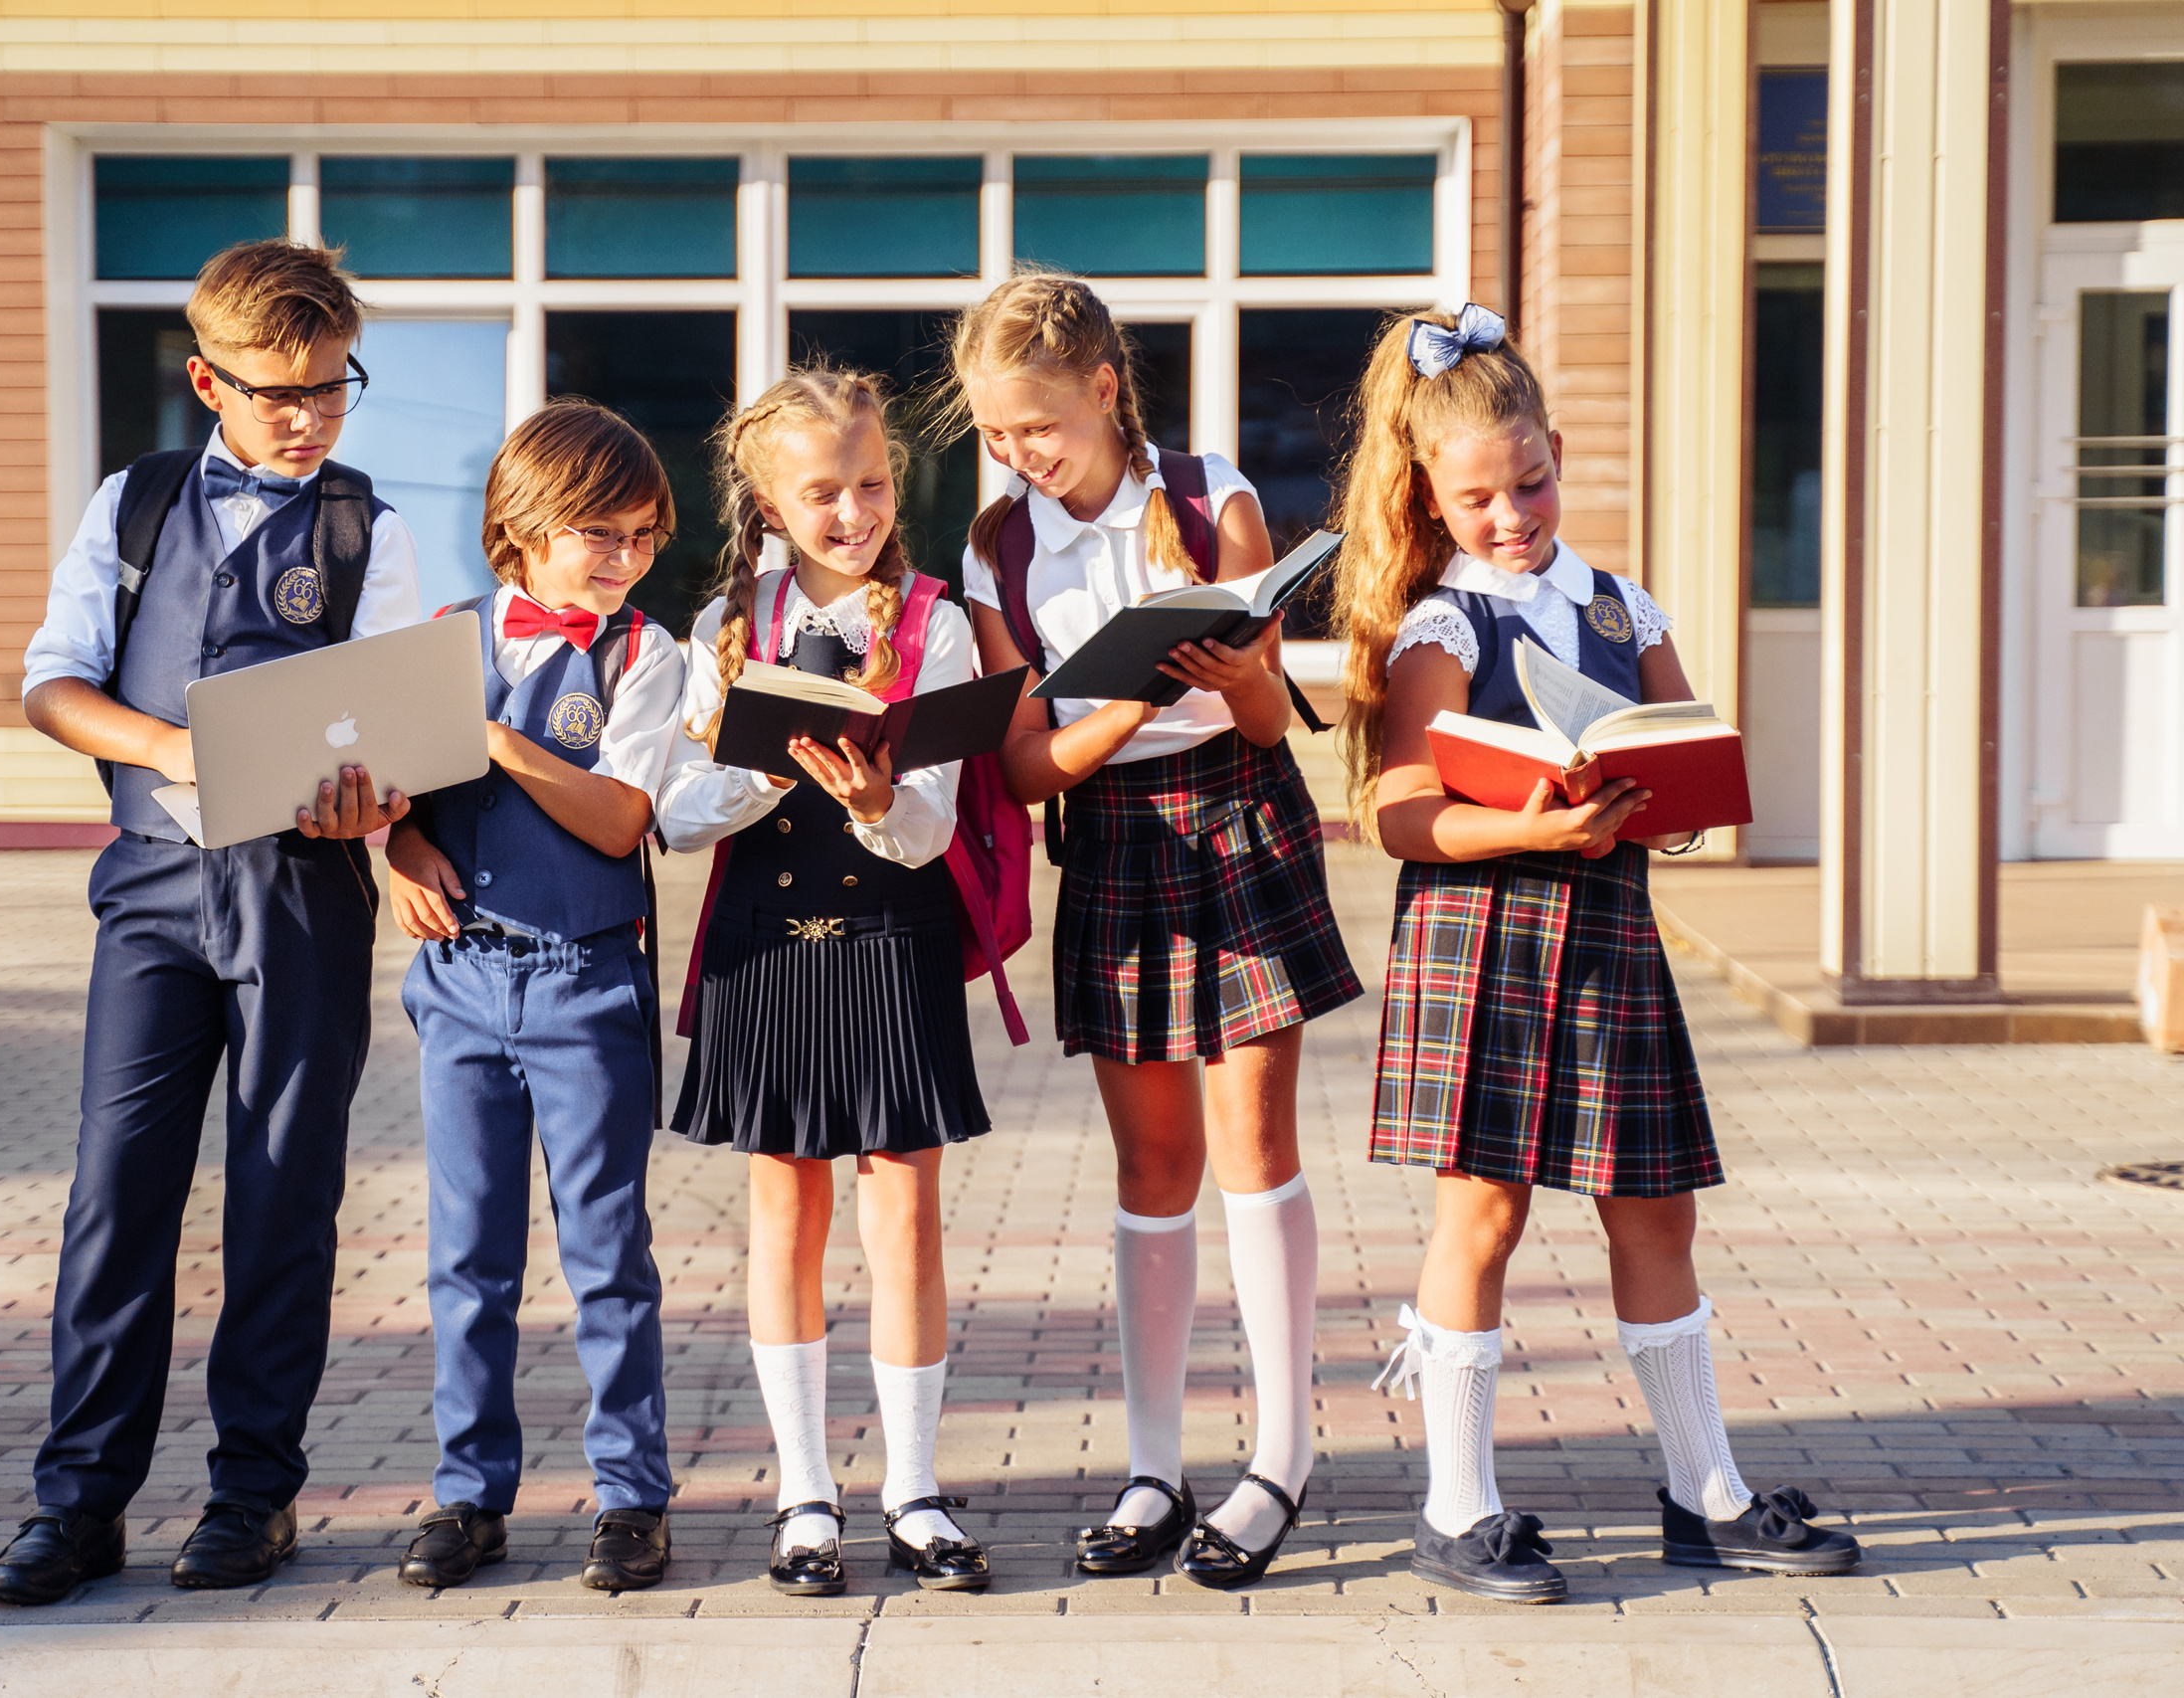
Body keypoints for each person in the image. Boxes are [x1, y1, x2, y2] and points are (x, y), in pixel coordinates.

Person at [1337, 302, 1862, 1604]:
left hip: (1609, 926)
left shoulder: (1622, 605)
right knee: (1486, 1210)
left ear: (1558, 453)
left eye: (1531, 480)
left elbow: (1685, 755)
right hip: (1487, 930)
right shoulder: (1439, 628)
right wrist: (1530, 819)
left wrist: (1661, 803)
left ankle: (1708, 1494)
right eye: (1479, 497)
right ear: (1429, 495)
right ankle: (1459, 1509)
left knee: (1657, 1208)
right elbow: (1399, 811)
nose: (1512, 513)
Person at [0, 239, 423, 1604]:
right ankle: (81, 1500)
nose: (307, 416)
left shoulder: (371, 527)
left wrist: (370, 800)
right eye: (279, 392)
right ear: (206, 381)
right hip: (154, 890)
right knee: (117, 1192)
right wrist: (175, 750)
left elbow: (402, 739)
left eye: (331, 389)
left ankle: (254, 1491)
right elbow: (52, 684)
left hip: (303, 895)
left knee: (284, 1193)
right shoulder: (132, 505)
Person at [944, 272, 1363, 1591]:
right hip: (1114, 829)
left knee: (1254, 1146)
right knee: (1154, 1159)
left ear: (1108, 387)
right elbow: (1017, 770)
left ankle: (1281, 1455)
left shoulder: (1210, 497)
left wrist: (1238, 672)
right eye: (999, 433)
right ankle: (1153, 1462)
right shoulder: (996, 546)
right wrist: (1119, 703)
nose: (1020, 455)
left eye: (1041, 427)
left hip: (1238, 814)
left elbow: (1260, 718)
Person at [655, 369, 994, 1595]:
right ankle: (805, 1495)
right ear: (763, 498)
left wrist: (874, 803)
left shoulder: (936, 623)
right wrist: (764, 775)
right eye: (821, 492)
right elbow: (677, 819)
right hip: (763, 941)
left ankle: (912, 1489)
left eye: (870, 484)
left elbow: (936, 824)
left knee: (904, 1214)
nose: (850, 510)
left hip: (893, 940)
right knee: (784, 1215)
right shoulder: (723, 625)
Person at [383, 400, 687, 1595]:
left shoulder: (644, 657)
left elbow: (619, 817)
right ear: (521, 526)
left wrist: (497, 742)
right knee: (468, 1257)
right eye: (598, 534)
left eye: (643, 537)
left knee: (607, 1250)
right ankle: (470, 1494)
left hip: (585, 981)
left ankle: (630, 1497)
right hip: (459, 980)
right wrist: (397, 851)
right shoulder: (442, 641)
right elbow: (380, 789)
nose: (623, 560)